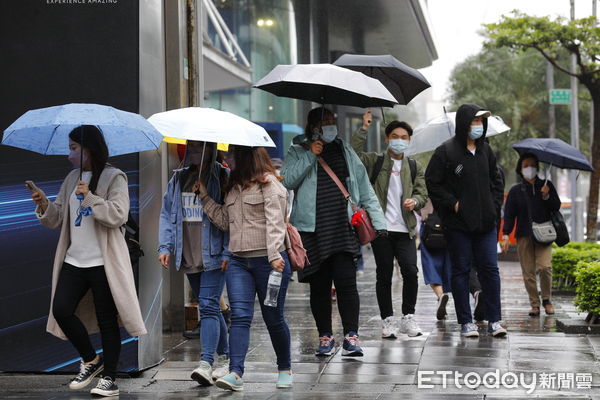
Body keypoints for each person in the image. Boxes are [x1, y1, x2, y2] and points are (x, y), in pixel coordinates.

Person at [30, 125, 146, 397]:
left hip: (103, 261)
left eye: (73, 148)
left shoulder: (114, 177)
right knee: (61, 309)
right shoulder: (72, 178)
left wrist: (91, 198)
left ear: (89, 149)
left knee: (108, 320)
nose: (69, 154)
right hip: (75, 260)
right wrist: (44, 204)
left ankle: (110, 379)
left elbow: (118, 215)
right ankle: (92, 360)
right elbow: (58, 217)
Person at [281, 107, 386, 357]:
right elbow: (287, 181)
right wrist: (310, 156)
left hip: (342, 227)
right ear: (313, 127)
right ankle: (325, 337)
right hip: (312, 230)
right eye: (325, 122)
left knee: (347, 283)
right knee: (319, 287)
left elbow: (364, 187)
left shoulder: (345, 149)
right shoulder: (298, 150)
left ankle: (351, 337)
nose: (330, 126)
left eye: (332, 121)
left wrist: (379, 222)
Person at [197, 145, 292, 392]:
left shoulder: (270, 185)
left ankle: (285, 367)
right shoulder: (232, 186)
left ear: (246, 157)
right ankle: (236, 373)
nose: (227, 158)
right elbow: (226, 223)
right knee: (239, 316)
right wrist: (205, 198)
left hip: (270, 263)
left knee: (274, 318)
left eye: (232, 154)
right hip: (239, 261)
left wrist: (273, 255)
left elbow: (275, 224)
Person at [425, 104, 507, 338]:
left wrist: (493, 206)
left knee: (490, 270)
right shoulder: (446, 152)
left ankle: (495, 320)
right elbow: (433, 183)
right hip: (458, 225)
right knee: (460, 271)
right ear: (464, 123)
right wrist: (453, 204)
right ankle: (466, 322)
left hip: (485, 224)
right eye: (474, 122)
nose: (478, 126)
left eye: (481, 122)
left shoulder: (486, 151)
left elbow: (496, 181)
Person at [158, 140, 230, 386]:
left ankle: (206, 362)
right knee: (211, 307)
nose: (193, 152)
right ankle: (227, 357)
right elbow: (167, 214)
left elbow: (230, 217)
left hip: (214, 255)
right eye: (191, 147)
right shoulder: (178, 179)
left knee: (208, 306)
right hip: (187, 255)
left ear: (211, 149)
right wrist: (165, 246)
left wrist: (228, 253)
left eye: (199, 147)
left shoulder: (222, 176)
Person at [351, 112, 428, 338]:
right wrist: (363, 128)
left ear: (409, 140)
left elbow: (422, 192)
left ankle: (408, 317)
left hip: (405, 229)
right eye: (395, 136)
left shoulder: (414, 167)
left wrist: (415, 201)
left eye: (404, 137)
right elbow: (353, 156)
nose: (399, 140)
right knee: (384, 275)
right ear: (387, 139)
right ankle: (387, 321)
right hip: (381, 229)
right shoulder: (375, 161)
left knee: (411, 272)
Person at [501, 153, 561, 316]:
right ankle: (535, 304)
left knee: (545, 267)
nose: (530, 168)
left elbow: (556, 206)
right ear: (520, 169)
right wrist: (506, 234)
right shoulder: (515, 190)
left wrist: (547, 195)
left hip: (544, 235)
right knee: (528, 272)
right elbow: (509, 214)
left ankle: (547, 300)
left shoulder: (546, 185)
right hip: (524, 235)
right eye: (526, 165)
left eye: (533, 165)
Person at [419, 201, 452, 321]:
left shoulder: (425, 181)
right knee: (446, 265)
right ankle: (442, 297)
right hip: (449, 224)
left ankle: (440, 295)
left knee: (430, 265)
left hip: (429, 226)